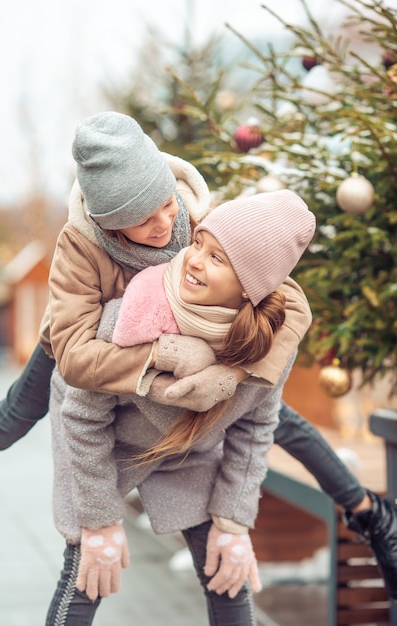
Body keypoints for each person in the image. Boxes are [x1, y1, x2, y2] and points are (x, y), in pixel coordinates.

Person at [0, 111, 396, 600]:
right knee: (15, 414)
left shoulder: (191, 215)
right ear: (109, 225)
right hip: (87, 342)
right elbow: (76, 359)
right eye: (143, 219)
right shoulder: (79, 244)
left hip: (193, 357)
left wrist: (233, 373)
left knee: (269, 411)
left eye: (166, 206)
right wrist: (163, 360)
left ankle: (369, 513)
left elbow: (285, 300)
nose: (164, 224)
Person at [47, 190, 316, 626]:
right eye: (198, 244)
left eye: (219, 259)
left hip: (190, 450)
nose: (193, 260)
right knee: (90, 567)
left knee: (228, 570)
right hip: (106, 449)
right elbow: (81, 416)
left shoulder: (267, 346)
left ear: (251, 287)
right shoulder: (133, 313)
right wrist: (99, 522)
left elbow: (255, 427)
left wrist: (233, 519)